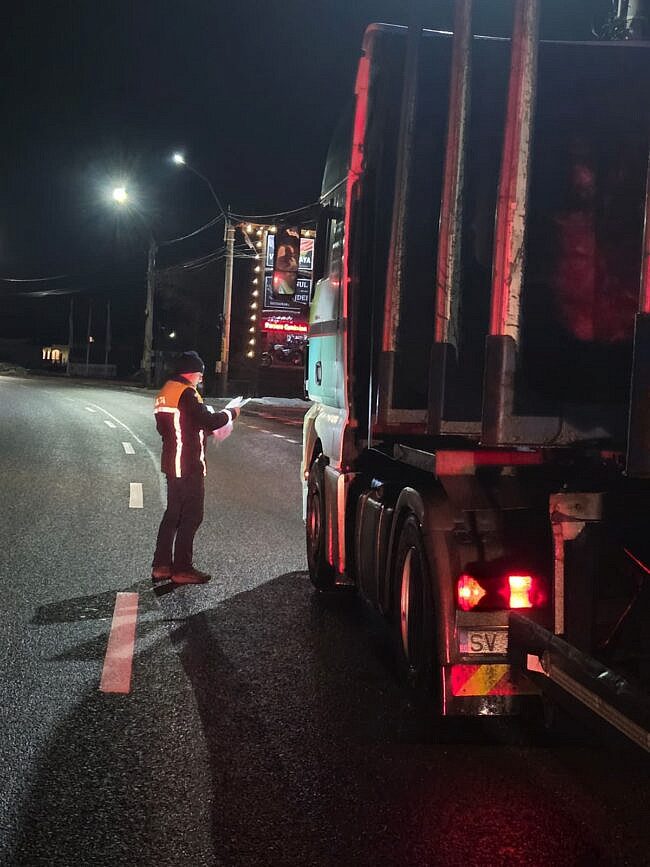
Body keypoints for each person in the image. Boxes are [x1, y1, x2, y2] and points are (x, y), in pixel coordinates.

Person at [151, 350, 239, 585]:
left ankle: (161, 565)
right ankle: (182, 568)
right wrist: (231, 413)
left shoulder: (166, 391)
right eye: (200, 374)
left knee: (173, 514)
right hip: (188, 464)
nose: (201, 378)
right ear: (191, 373)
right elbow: (208, 420)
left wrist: (203, 430)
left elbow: (179, 427)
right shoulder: (187, 393)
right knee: (191, 515)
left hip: (172, 461)